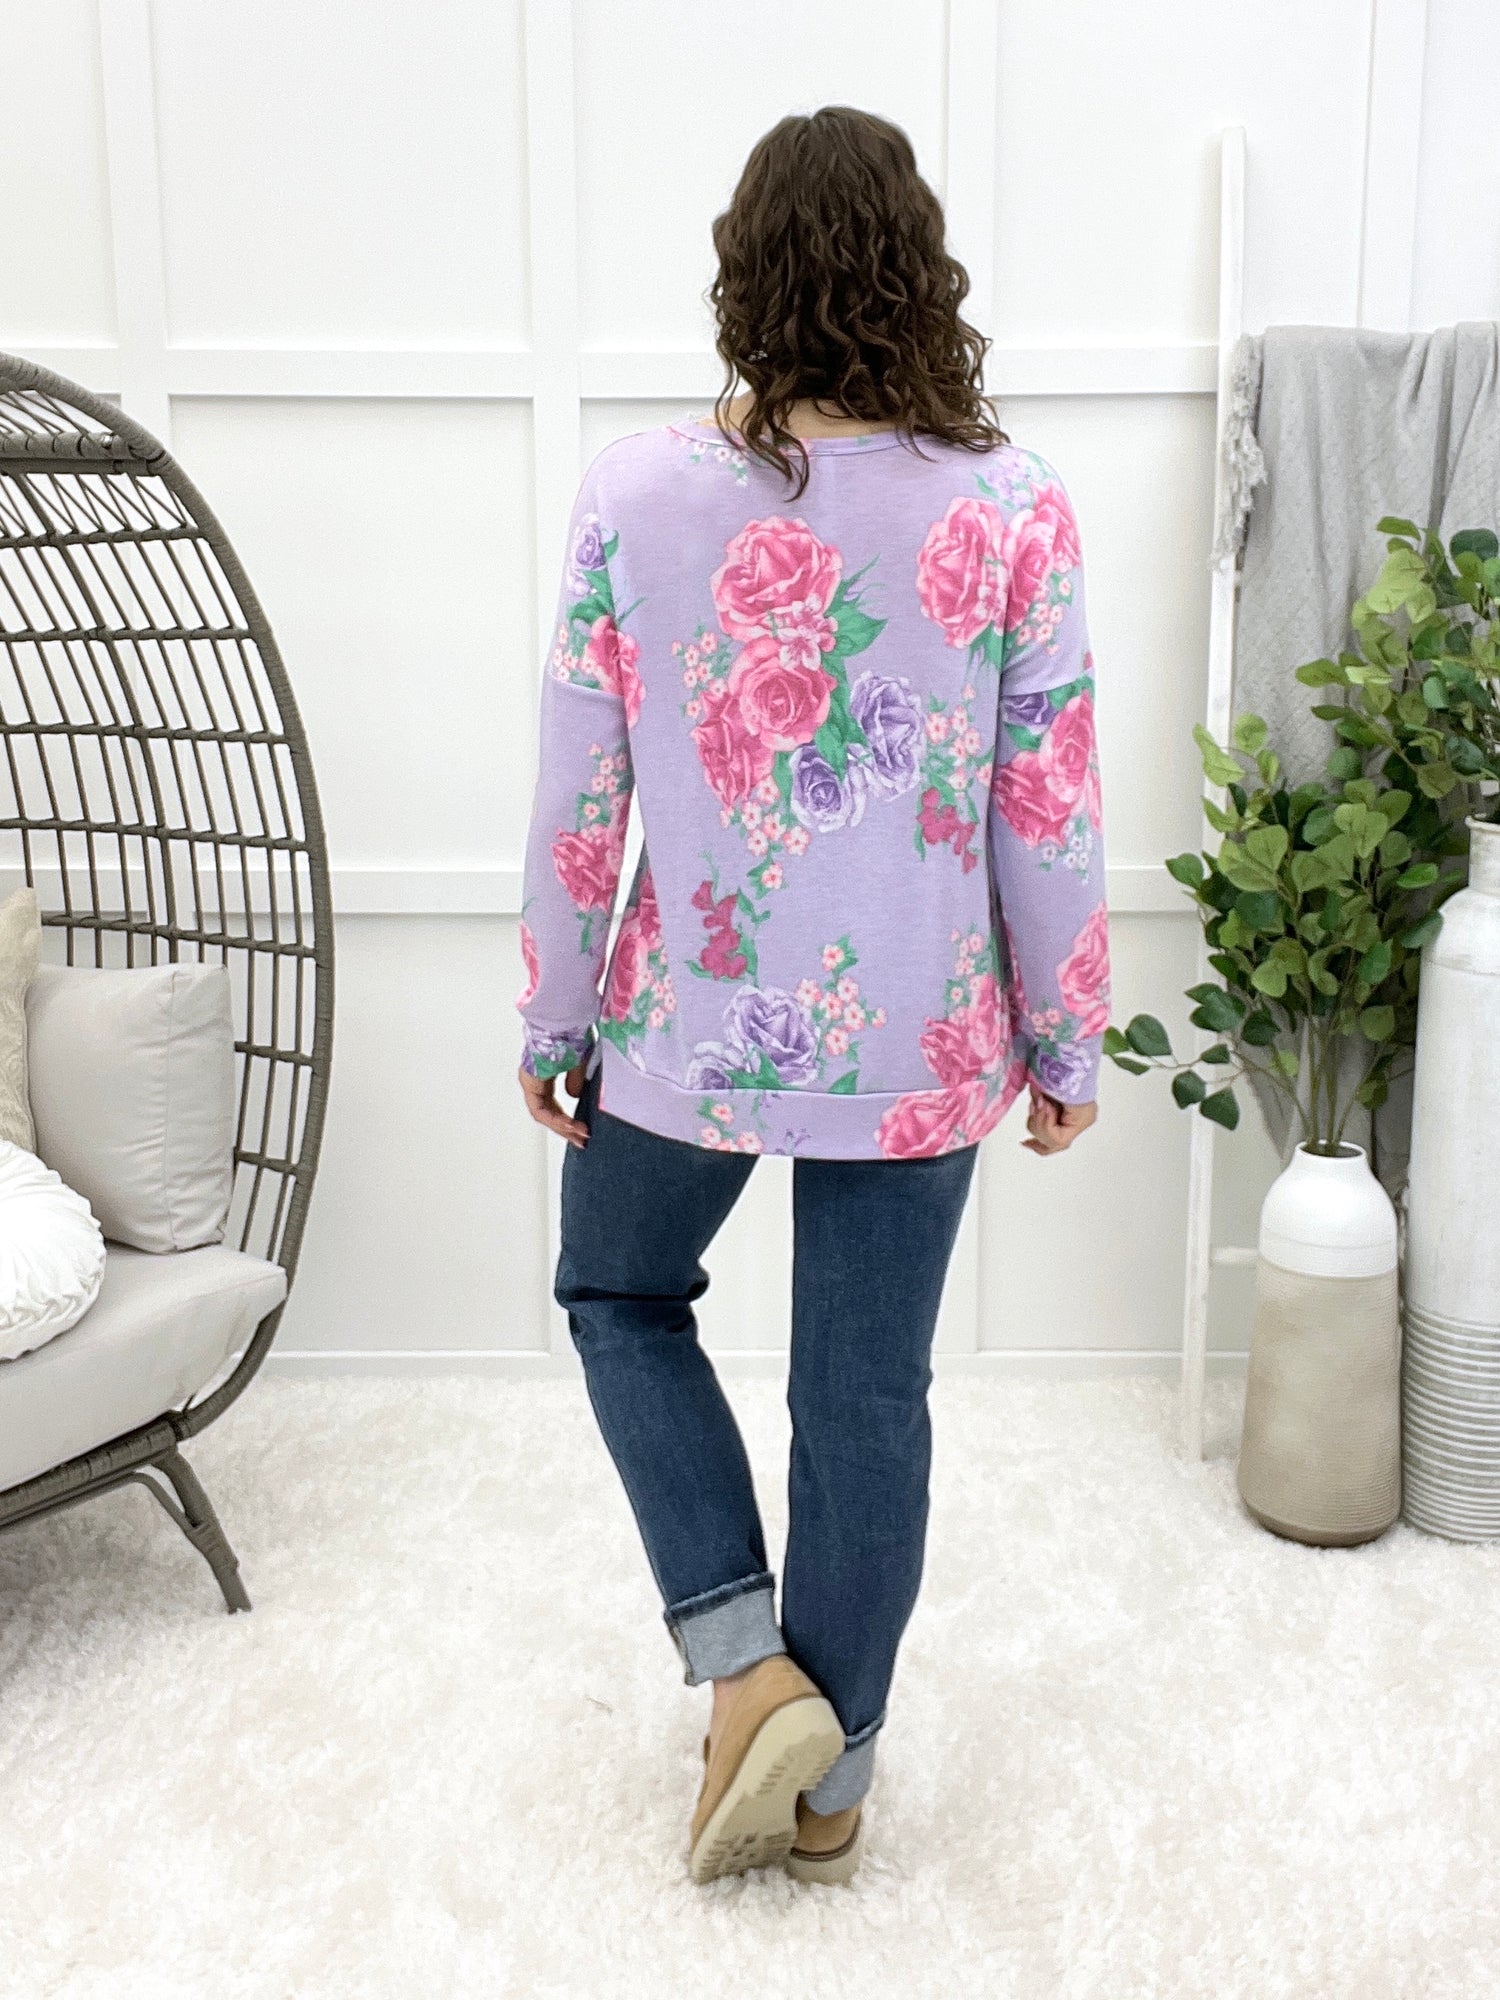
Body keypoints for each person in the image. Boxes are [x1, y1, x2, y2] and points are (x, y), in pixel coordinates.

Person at [515, 105, 1108, 1888]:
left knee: (618, 1290)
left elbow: (579, 791)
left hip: (684, 1030)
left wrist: (555, 1016)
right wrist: (1067, 1038)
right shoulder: (1012, 505)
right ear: (922, 273)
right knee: (866, 1398)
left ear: (743, 275)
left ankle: (738, 1661)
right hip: (920, 1042)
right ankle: (829, 1778)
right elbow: (1049, 802)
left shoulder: (634, 495)